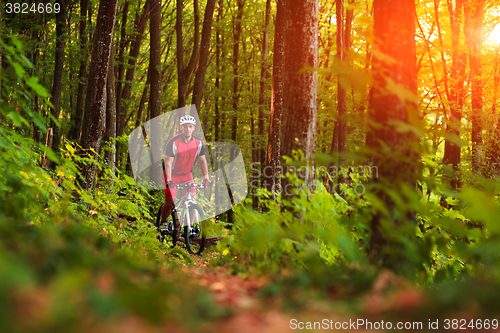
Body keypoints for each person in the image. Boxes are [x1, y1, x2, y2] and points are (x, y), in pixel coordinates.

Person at [160, 115, 211, 226]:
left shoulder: (198, 142)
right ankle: (163, 222)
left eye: (190, 126)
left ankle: (189, 229)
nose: (188, 129)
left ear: (194, 128)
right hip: (172, 175)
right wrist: (169, 180)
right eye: (185, 126)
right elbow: (168, 163)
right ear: (181, 127)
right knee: (170, 202)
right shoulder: (173, 142)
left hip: (187, 175)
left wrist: (206, 177)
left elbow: (202, 161)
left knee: (192, 201)